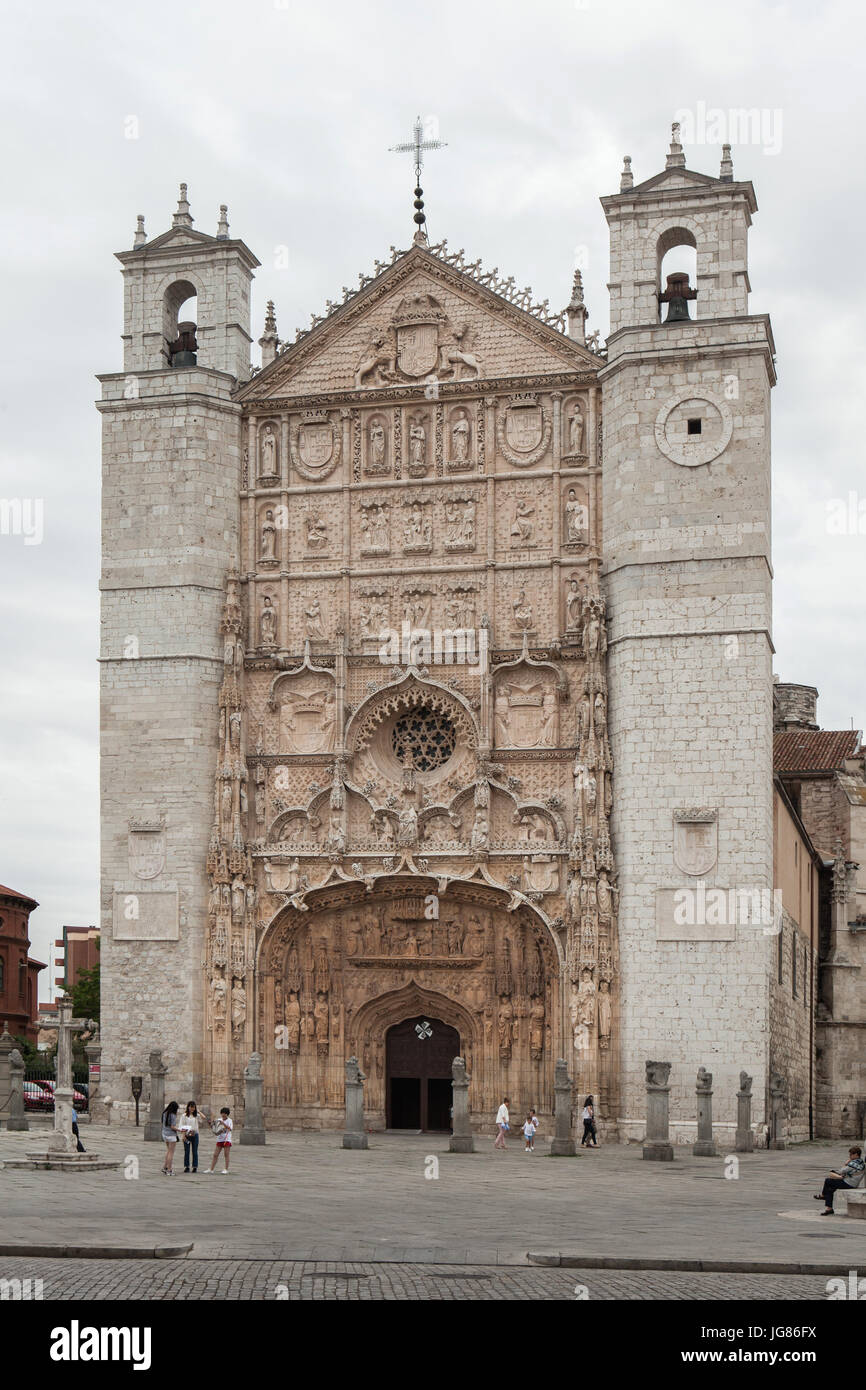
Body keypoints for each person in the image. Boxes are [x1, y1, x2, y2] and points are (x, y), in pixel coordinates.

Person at [814, 1145, 864, 1214]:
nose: (849, 1156)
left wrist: (846, 1164)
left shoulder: (853, 1163)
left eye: (850, 1155)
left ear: (855, 1154)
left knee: (828, 1180)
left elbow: (841, 1171)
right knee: (830, 1188)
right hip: (853, 1183)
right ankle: (829, 1208)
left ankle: (823, 1196)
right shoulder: (861, 1162)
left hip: (848, 1183)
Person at [206, 1107, 234, 1173]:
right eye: (222, 1113)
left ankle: (226, 1169)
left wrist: (223, 1123)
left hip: (227, 1139)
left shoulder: (230, 1120)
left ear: (227, 1114)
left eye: (224, 1114)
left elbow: (230, 1129)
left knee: (226, 1154)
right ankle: (211, 1169)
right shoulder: (219, 1119)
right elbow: (214, 1127)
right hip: (219, 1139)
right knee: (215, 1154)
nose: (223, 1115)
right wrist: (211, 1123)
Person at [179, 1101, 202, 1174]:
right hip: (187, 1135)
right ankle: (187, 1166)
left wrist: (199, 1111)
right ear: (188, 1107)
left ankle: (195, 1167)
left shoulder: (196, 1116)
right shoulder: (184, 1115)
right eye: (191, 1107)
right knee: (187, 1151)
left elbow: (204, 1118)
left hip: (195, 1134)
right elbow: (182, 1126)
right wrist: (183, 1136)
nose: (192, 1108)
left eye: (193, 1107)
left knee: (195, 1151)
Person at [161, 1101, 180, 1174]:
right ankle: (169, 1169)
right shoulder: (173, 1115)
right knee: (171, 1153)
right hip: (171, 1135)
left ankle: (165, 1167)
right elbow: (172, 1127)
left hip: (165, 1134)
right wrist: (180, 1129)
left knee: (168, 1151)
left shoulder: (164, 1113)